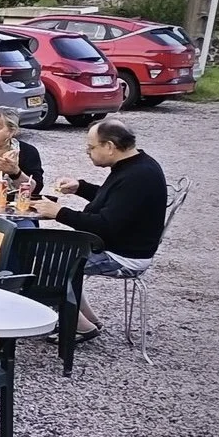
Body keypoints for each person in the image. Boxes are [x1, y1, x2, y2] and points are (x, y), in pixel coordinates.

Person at [33, 118, 169, 341]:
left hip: (124, 255)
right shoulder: (135, 164)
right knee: (48, 253)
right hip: (116, 245)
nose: (88, 152)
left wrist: (59, 213)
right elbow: (115, 201)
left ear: (109, 146)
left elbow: (105, 225)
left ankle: (81, 327)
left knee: (45, 264)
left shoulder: (138, 177)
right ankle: (88, 320)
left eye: (91, 147)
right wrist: (81, 188)